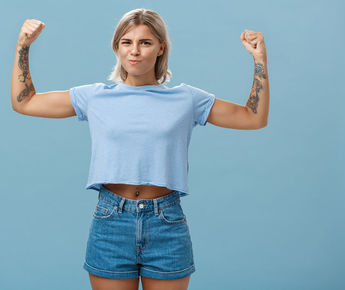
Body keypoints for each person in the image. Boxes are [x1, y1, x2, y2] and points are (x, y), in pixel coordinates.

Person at [10, 8, 269, 290]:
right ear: (117, 47)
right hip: (111, 221)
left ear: (161, 48)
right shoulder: (94, 97)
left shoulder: (187, 99)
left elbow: (253, 117)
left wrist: (260, 60)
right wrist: (23, 47)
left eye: (145, 42)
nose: (134, 51)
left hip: (165, 221)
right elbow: (25, 102)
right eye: (126, 42)